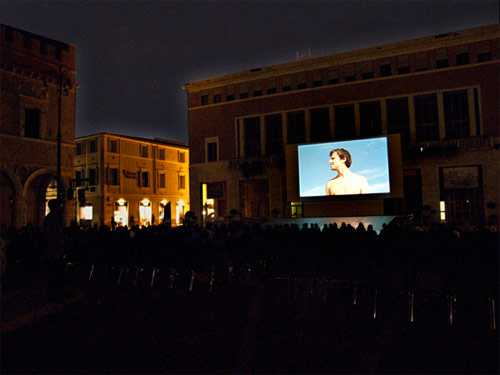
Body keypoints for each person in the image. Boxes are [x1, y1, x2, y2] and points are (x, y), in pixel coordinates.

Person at [42, 199, 66, 302]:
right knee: (55, 274)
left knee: (53, 275)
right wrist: (56, 251)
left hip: (51, 251)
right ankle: (55, 295)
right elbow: (53, 237)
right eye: (60, 206)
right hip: (53, 252)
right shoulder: (54, 220)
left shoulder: (49, 219)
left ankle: (53, 294)